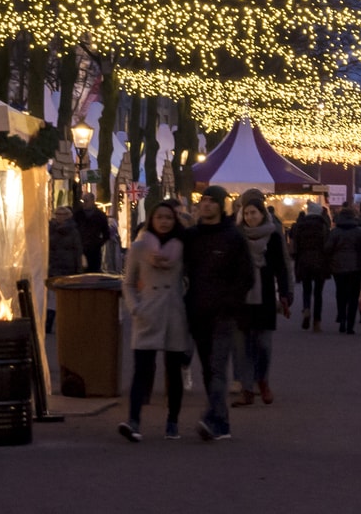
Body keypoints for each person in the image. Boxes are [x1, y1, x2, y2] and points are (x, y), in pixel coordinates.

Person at [183, 185, 253, 441]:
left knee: (217, 367)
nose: (207, 205)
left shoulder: (233, 237)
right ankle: (222, 423)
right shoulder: (192, 237)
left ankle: (212, 418)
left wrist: (231, 303)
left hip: (223, 314)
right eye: (204, 200)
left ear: (222, 205)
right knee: (208, 370)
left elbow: (246, 276)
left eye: (213, 201)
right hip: (197, 311)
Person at [118, 200, 191, 442]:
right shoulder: (139, 247)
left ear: (175, 221)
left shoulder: (182, 246)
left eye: (168, 218)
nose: (164, 221)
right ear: (151, 219)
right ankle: (134, 421)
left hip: (174, 313)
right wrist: (135, 307)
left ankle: (172, 422)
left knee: (173, 370)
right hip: (148, 312)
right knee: (142, 370)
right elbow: (128, 282)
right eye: (159, 217)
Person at [232, 195, 292, 405]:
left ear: (262, 214)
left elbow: (281, 267)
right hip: (242, 299)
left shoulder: (273, 237)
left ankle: (263, 382)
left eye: (253, 213)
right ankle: (247, 389)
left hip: (266, 297)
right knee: (242, 347)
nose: (250, 217)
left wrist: (285, 293)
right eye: (246, 213)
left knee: (263, 345)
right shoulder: (237, 237)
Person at [325, 205, 361, 335]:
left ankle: (342, 318)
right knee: (353, 296)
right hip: (356, 267)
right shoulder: (359, 231)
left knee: (341, 293)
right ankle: (350, 324)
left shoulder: (335, 232)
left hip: (338, 267)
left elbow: (328, 248)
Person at [289, 202, 330, 332]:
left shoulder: (301, 226)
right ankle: (317, 322)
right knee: (318, 293)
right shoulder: (323, 226)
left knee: (306, 289)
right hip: (320, 261)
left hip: (304, 260)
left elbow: (296, 245)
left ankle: (306, 309)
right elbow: (327, 245)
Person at [46, 206, 83, 333]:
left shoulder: (73, 231)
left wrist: (79, 270)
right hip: (54, 266)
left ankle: (67, 323)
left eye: (62, 214)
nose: (60, 217)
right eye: (58, 214)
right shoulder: (49, 229)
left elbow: (77, 250)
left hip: (68, 267)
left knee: (65, 297)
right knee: (52, 297)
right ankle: (49, 323)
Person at [74, 192, 111, 274]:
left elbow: (106, 233)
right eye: (83, 201)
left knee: (93, 272)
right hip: (80, 248)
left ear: (92, 201)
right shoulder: (78, 214)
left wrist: (98, 243)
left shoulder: (100, 216)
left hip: (94, 250)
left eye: (86, 201)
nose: (84, 203)